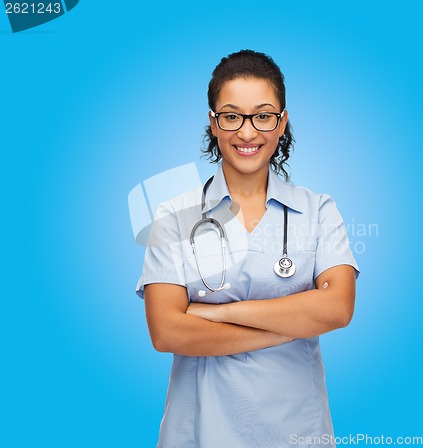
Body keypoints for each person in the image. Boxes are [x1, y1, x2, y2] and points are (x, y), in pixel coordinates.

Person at [136, 49, 360, 448]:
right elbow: (167, 331)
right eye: (232, 115)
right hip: (201, 432)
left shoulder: (318, 210)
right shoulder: (174, 216)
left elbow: (338, 308)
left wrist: (222, 314)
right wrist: (290, 326)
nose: (247, 132)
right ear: (214, 123)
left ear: (282, 121)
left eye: (263, 115)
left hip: (296, 432)